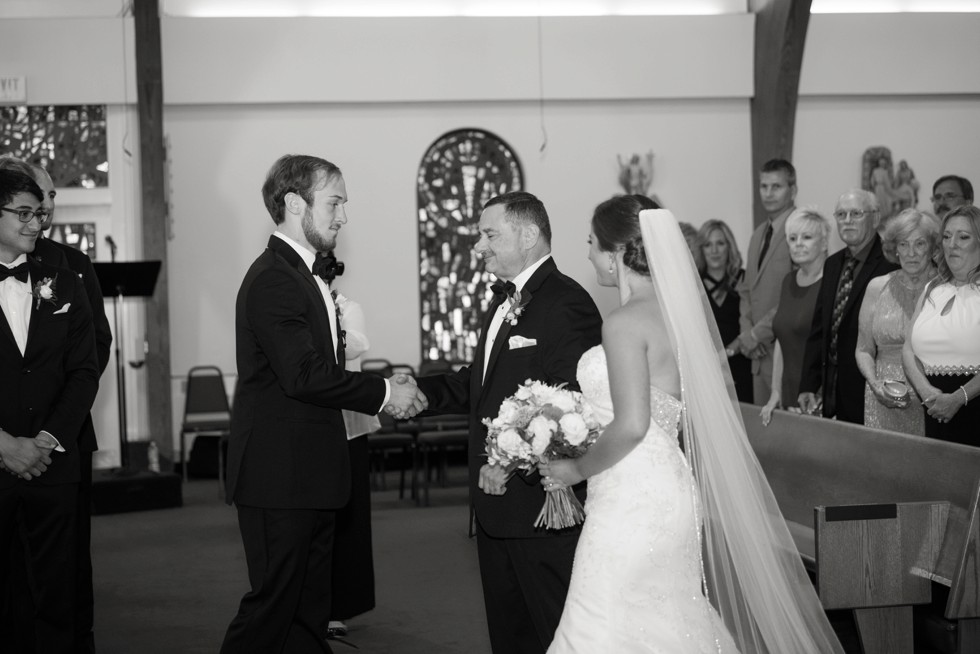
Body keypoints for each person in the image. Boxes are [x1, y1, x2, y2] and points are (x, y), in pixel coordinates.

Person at [539, 197, 843, 653]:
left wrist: (573, 470)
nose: (587, 254)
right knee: (667, 614)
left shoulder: (623, 323)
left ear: (617, 251)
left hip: (632, 493)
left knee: (604, 620)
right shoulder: (675, 315)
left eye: (591, 243)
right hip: (668, 485)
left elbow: (632, 424)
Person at [220, 155, 425, 654]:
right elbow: (304, 375)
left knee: (309, 612)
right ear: (294, 203)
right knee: (274, 609)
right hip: (279, 473)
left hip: (309, 470)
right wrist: (383, 393)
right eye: (334, 202)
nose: (342, 216)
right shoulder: (273, 277)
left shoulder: (304, 276)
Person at [414, 191, 602, 654]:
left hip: (537, 506)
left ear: (530, 234)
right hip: (496, 507)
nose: (480, 245)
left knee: (554, 633)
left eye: (489, 234)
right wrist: (419, 392)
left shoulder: (567, 304)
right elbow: (482, 385)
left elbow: (567, 406)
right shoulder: (503, 301)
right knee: (510, 634)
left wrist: (507, 459)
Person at [0, 155, 111, 654]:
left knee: (62, 589)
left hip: (56, 456)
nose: (37, 220)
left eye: (39, 212)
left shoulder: (64, 275)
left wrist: (46, 439)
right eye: (23, 211)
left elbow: (86, 365)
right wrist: (5, 446)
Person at [799, 189, 899, 422]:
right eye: (841, 214)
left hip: (872, 387)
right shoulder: (833, 263)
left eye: (856, 213)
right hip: (832, 386)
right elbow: (820, 330)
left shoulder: (892, 263)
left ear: (875, 218)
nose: (847, 221)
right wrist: (808, 384)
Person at [321, 251, 381, 640]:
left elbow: (357, 346)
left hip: (349, 427)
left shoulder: (348, 307)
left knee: (349, 517)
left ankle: (339, 606)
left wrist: (328, 318)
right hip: (313, 425)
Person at [856, 209, 939, 435]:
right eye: (903, 244)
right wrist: (874, 384)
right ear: (895, 248)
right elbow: (863, 349)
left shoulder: (945, 288)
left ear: (933, 247)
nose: (911, 253)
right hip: (882, 397)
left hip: (933, 397)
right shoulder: (876, 287)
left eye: (919, 244)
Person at [903, 205, 980, 447]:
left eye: (963, 237)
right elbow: (908, 349)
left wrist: (959, 398)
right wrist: (926, 391)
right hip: (933, 409)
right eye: (946, 236)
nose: (952, 244)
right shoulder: (932, 289)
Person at [761, 208, 830, 425]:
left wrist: (822, 395)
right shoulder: (788, 281)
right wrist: (775, 392)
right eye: (792, 238)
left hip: (818, 400)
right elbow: (783, 339)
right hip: (788, 397)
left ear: (825, 244)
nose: (798, 243)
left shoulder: (831, 283)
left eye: (807, 237)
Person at [738, 158, 796, 404]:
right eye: (764, 186)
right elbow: (746, 290)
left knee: (789, 436)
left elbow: (797, 294)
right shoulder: (758, 234)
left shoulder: (801, 230)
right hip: (757, 355)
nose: (769, 193)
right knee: (762, 439)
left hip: (786, 350)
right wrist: (746, 333)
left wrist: (757, 334)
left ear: (792, 190)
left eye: (776, 186)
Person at [697, 219, 751, 402]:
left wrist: (727, 353)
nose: (714, 251)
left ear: (730, 246)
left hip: (742, 364)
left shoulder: (745, 278)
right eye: (707, 245)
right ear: (701, 250)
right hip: (707, 369)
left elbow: (752, 322)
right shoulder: (693, 284)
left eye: (720, 243)